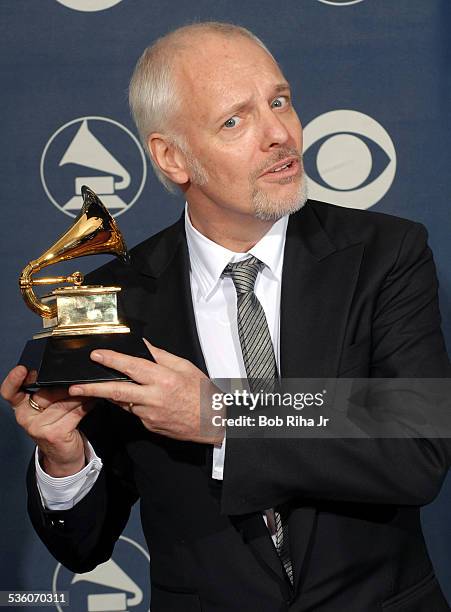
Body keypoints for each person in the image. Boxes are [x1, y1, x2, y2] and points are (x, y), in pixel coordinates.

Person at [2, 21, 451, 612]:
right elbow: (83, 547)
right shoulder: (116, 298)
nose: (279, 134)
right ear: (172, 157)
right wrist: (65, 460)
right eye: (234, 121)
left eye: (280, 101)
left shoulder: (387, 253)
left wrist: (221, 412)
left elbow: (417, 445)